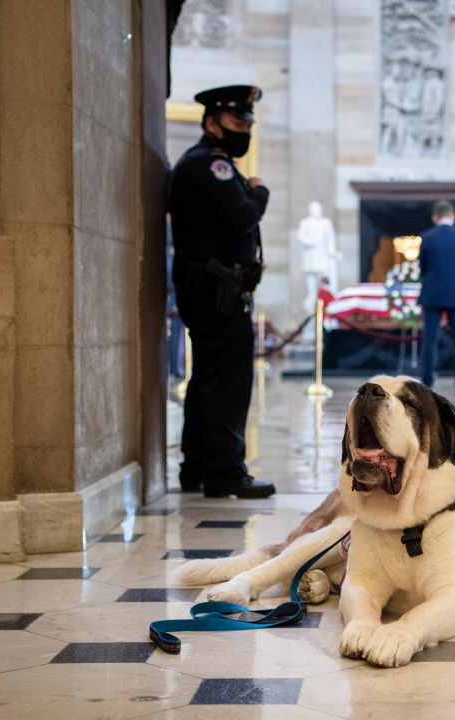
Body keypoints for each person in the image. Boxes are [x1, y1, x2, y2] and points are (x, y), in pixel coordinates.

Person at [168, 84, 276, 499]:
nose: (243, 130)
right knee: (227, 385)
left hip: (213, 290)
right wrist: (258, 189)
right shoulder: (211, 166)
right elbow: (243, 216)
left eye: (247, 123)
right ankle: (226, 473)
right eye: (235, 122)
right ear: (212, 124)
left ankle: (196, 467)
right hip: (217, 293)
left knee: (208, 381)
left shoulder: (202, 163)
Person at [418, 200, 455, 399]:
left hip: (432, 294)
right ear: (453, 217)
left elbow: (422, 267)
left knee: (429, 341)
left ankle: (428, 382)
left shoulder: (427, 238)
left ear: (435, 217)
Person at [296, 201, 339, 314]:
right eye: (315, 209)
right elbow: (300, 237)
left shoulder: (326, 223)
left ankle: (325, 296)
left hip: (322, 256)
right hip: (310, 256)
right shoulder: (305, 223)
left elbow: (330, 239)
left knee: (325, 278)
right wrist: (311, 242)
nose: (317, 212)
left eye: (318, 209)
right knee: (311, 279)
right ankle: (312, 296)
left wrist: (333, 252)